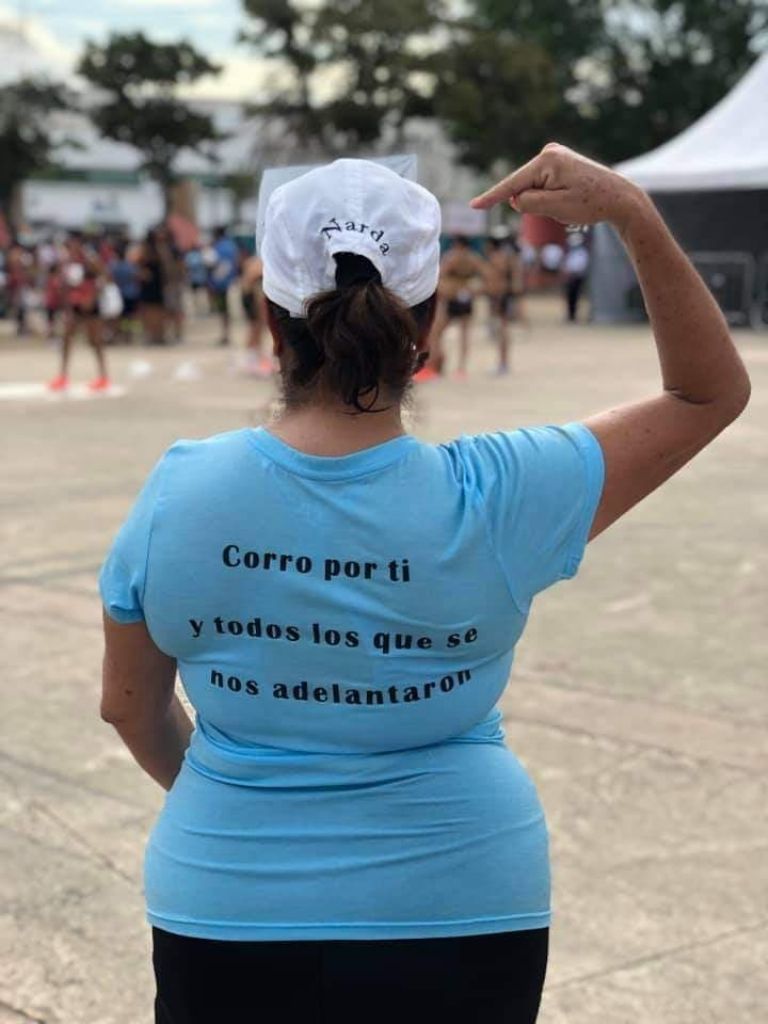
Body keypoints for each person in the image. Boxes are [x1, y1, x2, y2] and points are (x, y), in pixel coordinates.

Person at [98, 147, 749, 1024]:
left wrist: (248, 809)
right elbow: (709, 394)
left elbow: (129, 708)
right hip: (466, 900)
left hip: (225, 903)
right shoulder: (502, 493)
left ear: (269, 321)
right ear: (426, 328)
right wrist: (630, 210)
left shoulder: (180, 493)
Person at [419, 235, 486, 380]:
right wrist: (475, 289)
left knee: (437, 333)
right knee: (462, 335)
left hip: (452, 298)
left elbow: (439, 276)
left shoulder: (451, 257)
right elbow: (487, 275)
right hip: (464, 297)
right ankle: (460, 368)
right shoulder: (474, 258)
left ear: (457, 245)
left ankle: (438, 364)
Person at [48, 234, 109, 391]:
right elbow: (65, 286)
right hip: (75, 304)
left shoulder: (90, 260)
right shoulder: (67, 263)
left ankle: (103, 376)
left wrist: (93, 297)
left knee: (95, 341)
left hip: (90, 304)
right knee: (67, 339)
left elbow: (104, 278)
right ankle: (63, 376)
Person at [485, 234, 526, 374]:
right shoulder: (508, 258)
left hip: (502, 296)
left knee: (502, 331)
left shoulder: (498, 259)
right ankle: (503, 362)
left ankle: (503, 363)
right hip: (501, 296)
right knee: (501, 331)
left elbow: (499, 279)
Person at [239, 250, 272, 376]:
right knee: (255, 327)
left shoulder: (257, 262)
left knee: (257, 328)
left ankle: (255, 356)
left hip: (252, 296)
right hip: (251, 297)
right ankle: (251, 358)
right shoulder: (258, 263)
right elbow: (252, 281)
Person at [208, 226, 239, 346]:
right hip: (232, 282)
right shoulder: (232, 246)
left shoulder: (216, 247)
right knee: (229, 311)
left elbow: (210, 264)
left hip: (219, 283)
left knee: (223, 311)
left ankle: (225, 335)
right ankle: (227, 334)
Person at [138, 229, 168, 346]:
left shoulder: (154, 249)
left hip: (155, 284)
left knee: (154, 311)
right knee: (153, 311)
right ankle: (155, 335)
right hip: (152, 284)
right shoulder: (152, 250)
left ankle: (156, 335)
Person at [562, 232, 591, 323]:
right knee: (569, 297)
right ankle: (570, 315)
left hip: (578, 277)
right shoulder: (570, 253)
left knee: (576, 297)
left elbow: (581, 265)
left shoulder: (582, 252)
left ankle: (574, 315)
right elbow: (567, 265)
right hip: (570, 277)